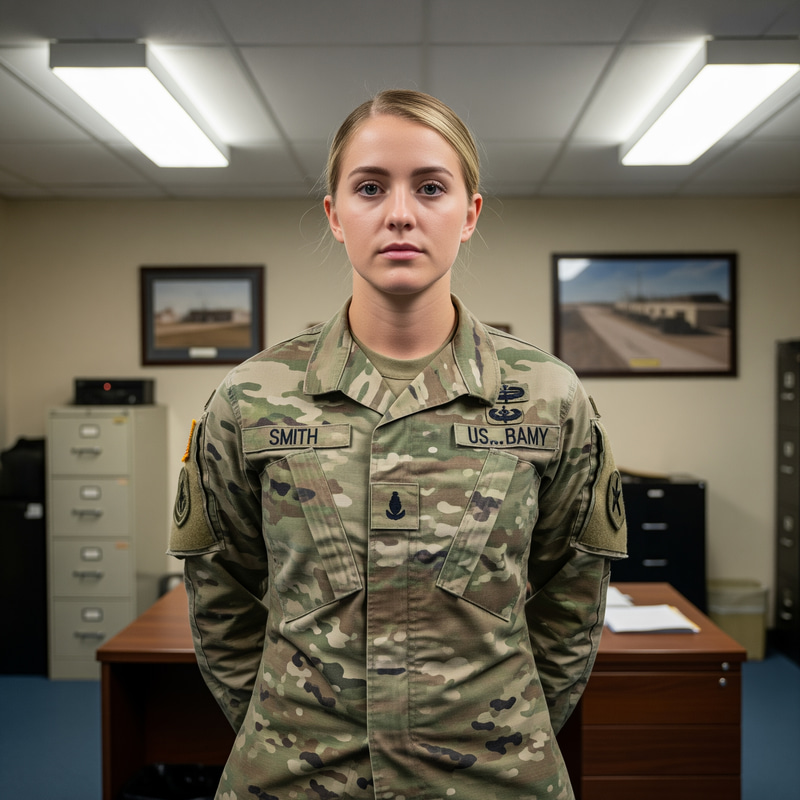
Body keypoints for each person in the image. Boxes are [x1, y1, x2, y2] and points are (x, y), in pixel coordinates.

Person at [168, 89, 627, 800]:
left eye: (432, 187)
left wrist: (501, 722)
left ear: (469, 214)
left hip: (491, 775)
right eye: (371, 187)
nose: (401, 213)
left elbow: (572, 594)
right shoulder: (250, 396)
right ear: (336, 214)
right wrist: (284, 725)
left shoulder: (548, 396)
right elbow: (220, 592)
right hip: (299, 776)